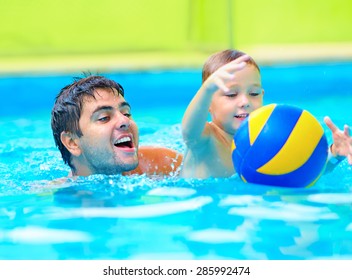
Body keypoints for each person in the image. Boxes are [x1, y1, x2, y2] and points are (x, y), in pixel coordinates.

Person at [181, 49, 351, 178]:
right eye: (231, 94)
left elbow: (299, 169)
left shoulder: (267, 139)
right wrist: (207, 90)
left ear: (262, 96)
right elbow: (189, 131)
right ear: (208, 105)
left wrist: (334, 154)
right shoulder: (205, 139)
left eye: (253, 93)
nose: (244, 101)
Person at [51, 75, 182, 177]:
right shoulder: (54, 196)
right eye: (104, 118)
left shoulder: (160, 163)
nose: (125, 121)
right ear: (72, 142)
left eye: (126, 113)